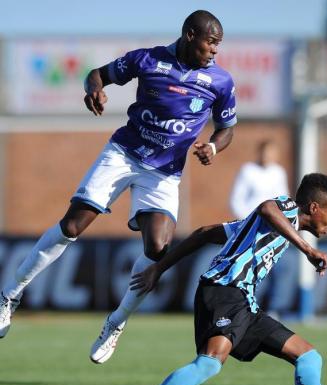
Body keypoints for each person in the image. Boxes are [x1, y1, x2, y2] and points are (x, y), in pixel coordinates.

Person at [0, 10, 237, 362]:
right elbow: (96, 75)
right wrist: (93, 90)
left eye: (218, 44)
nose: (215, 51)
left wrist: (214, 146)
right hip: (123, 154)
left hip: (164, 173)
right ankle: (10, 295)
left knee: (157, 248)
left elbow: (227, 126)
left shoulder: (220, 81)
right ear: (190, 35)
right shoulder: (147, 59)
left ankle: (115, 323)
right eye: (210, 43)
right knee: (71, 226)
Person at [130, 173, 327, 385]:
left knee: (309, 357)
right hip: (225, 291)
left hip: (244, 303)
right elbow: (267, 208)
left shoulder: (257, 226)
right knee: (209, 363)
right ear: (314, 208)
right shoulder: (286, 207)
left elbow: (205, 233)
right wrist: (307, 249)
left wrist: (159, 268)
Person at [230, 139, 289, 219]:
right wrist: (247, 219)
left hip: (272, 223)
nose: (267, 156)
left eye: (271, 153)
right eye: (265, 152)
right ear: (260, 152)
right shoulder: (248, 170)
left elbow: (283, 199)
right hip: (250, 220)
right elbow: (236, 200)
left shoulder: (278, 172)